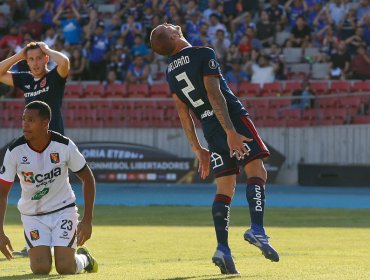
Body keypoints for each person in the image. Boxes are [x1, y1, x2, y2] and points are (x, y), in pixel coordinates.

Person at [150, 23, 279, 275]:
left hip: (208, 129)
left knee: (225, 187)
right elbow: (214, 93)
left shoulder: (170, 72)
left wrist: (197, 148)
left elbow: (183, 113)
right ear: (175, 36)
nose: (170, 23)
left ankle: (223, 249)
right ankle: (257, 230)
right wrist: (231, 131)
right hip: (231, 119)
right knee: (257, 171)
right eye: (167, 26)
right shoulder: (203, 53)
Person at [0, 101, 98, 275]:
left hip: (63, 210)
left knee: (65, 268)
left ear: (45, 123)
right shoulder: (14, 151)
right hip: (33, 216)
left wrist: (87, 220)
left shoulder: (64, 145)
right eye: (23, 119)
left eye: (31, 120)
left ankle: (84, 259)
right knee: (41, 268)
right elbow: (2, 193)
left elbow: (88, 178)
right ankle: (56, 249)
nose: (25, 124)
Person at [0, 41, 69, 135]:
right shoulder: (25, 79)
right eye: (31, 59)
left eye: (39, 58)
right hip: (32, 139)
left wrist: (46, 50)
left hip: (54, 140)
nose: (35, 63)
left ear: (46, 59)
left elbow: (64, 62)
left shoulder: (54, 77)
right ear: (27, 62)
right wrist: (19, 56)